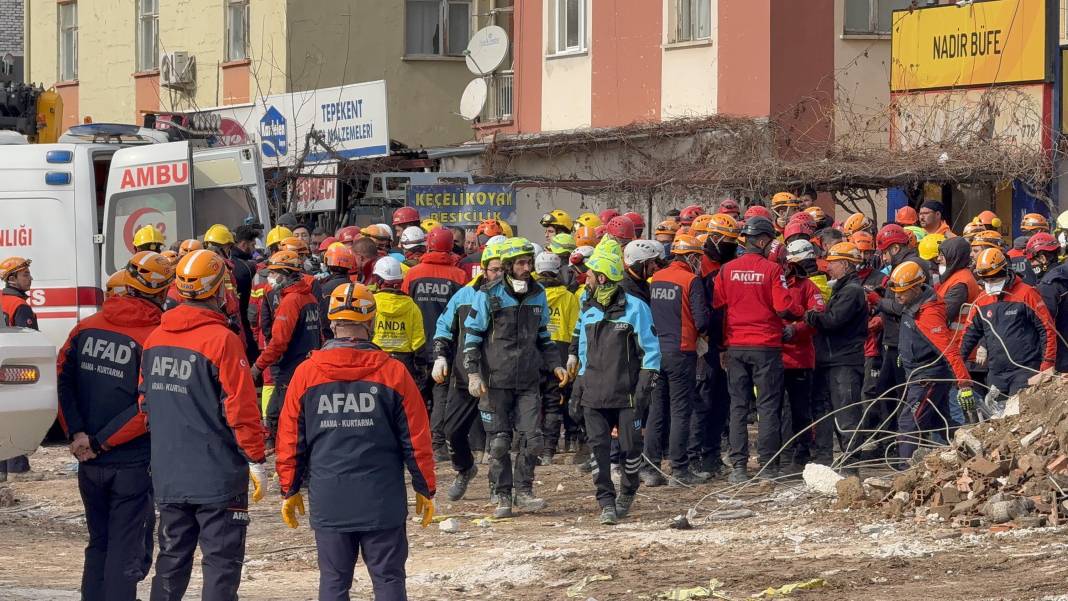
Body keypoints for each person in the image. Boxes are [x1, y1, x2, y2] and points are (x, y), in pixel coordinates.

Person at [276, 281, 435, 601]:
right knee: (389, 579)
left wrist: (289, 488)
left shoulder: (306, 374)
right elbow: (416, 437)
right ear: (371, 321)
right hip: (382, 501)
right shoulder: (394, 373)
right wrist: (425, 487)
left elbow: (291, 439)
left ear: (331, 323)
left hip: (330, 500)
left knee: (334, 582)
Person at [137, 249, 267, 600]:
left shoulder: (155, 339)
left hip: (169, 474)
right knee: (221, 567)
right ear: (217, 290)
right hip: (218, 477)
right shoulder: (222, 340)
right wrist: (256, 458)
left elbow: (145, 404)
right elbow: (241, 408)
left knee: (171, 561)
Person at [56, 251, 172, 601]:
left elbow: (63, 381)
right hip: (130, 463)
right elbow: (147, 408)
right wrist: (101, 442)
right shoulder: (156, 337)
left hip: (89, 463)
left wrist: (78, 435)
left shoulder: (86, 327)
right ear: (162, 291)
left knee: (100, 544)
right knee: (125, 549)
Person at [463, 238, 569, 518]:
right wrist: (473, 373)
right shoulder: (488, 294)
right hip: (495, 381)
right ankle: (501, 496)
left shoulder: (538, 294)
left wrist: (555, 364)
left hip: (528, 381)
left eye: (529, 262)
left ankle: (524, 490)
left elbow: (544, 336)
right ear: (508, 266)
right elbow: (472, 337)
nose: (527, 267)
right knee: (498, 444)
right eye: (521, 263)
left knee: (533, 439)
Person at [571, 249, 660, 525]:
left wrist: (645, 387)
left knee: (630, 449)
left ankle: (628, 491)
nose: (586, 279)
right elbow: (583, 353)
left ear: (602, 277)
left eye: (590, 275)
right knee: (599, 451)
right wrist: (578, 387)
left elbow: (652, 351)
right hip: (594, 394)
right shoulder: (588, 307)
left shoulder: (636, 308)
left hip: (627, 395)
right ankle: (606, 502)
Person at [713, 217, 799, 482]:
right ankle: (768, 467)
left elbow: (718, 307)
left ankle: (738, 467)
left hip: (736, 346)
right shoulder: (773, 270)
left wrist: (722, 345)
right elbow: (784, 307)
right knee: (768, 407)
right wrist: (800, 314)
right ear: (762, 241)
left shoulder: (727, 270)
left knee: (738, 406)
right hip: (766, 347)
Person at [432, 242, 505, 502]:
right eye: (494, 269)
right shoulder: (464, 294)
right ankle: (464, 469)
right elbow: (444, 326)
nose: (499, 274)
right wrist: (440, 355)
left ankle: (500, 487)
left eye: (503, 269)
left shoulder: (512, 296)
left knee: (498, 438)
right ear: (484, 270)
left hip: (497, 378)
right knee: (452, 430)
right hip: (465, 377)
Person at [889, 261, 972, 463]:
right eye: (895, 292)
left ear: (916, 288)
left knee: (909, 423)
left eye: (903, 292)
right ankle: (971, 451)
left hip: (927, 377)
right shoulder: (912, 305)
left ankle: (904, 471)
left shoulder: (928, 314)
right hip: (920, 372)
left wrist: (964, 383)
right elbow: (916, 337)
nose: (897, 296)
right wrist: (906, 353)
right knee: (939, 422)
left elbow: (949, 349)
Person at [646, 233, 710, 485]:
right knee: (681, 410)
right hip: (681, 351)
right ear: (691, 257)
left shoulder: (655, 278)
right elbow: (702, 321)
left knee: (656, 410)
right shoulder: (691, 280)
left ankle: (650, 468)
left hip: (655, 352)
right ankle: (679, 469)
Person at [403, 226, 469, 462]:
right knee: (441, 393)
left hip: (416, 343)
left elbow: (405, 305)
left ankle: (415, 441)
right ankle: (437, 444)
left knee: (417, 394)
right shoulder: (459, 276)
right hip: (446, 344)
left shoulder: (413, 274)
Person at [805, 243, 869, 475]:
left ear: (844, 263)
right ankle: (826, 460)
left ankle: (851, 465)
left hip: (844, 361)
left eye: (832, 263)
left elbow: (834, 320)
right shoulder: (843, 288)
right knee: (826, 411)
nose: (828, 267)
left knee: (846, 412)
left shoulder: (851, 291)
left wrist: (810, 316)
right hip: (831, 360)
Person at [961, 248, 1057, 396]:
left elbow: (1047, 329)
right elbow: (968, 335)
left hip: (1025, 369)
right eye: (986, 280)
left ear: (1005, 272)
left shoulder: (1026, 293)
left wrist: (1047, 362)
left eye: (993, 279)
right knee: (996, 416)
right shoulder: (982, 300)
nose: (990, 284)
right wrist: (958, 367)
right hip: (996, 372)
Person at [254, 250, 322, 448]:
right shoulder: (309, 298)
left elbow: (278, 342)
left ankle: (290, 458)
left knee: (287, 418)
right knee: (278, 412)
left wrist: (258, 366)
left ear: (285, 274)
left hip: (290, 369)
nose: (271, 278)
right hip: (307, 367)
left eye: (274, 274)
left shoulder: (291, 302)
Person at [781, 240, 827, 470]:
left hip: (800, 357)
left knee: (800, 409)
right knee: (774, 410)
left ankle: (801, 452)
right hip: (773, 358)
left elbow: (817, 316)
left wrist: (795, 328)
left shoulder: (807, 286)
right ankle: (779, 453)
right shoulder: (771, 282)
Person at [535, 251, 580, 465]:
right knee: (555, 401)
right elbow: (574, 328)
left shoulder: (532, 293)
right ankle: (548, 451)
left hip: (535, 348)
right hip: (560, 350)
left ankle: (529, 446)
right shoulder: (570, 297)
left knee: (532, 399)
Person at [0, 256, 38, 479]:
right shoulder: (20, 306)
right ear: (12, 278)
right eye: (25, 274)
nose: (30, 278)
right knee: (19, 417)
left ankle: (3, 470)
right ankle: (18, 468)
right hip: (17, 370)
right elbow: (29, 342)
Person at [371, 256, 426, 377]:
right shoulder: (411, 306)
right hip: (404, 363)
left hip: (375, 359)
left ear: (378, 280)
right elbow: (418, 341)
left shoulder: (371, 303)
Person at [1029, 233, 1068, 372]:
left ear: (1043, 258)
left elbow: (1045, 324)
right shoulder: (1063, 274)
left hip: (1061, 357)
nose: (1032, 265)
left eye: (1032, 260)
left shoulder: (1048, 285)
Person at [320, 244, 357, 339]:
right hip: (351, 335)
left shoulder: (325, 288)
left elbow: (323, 318)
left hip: (331, 337)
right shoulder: (355, 287)